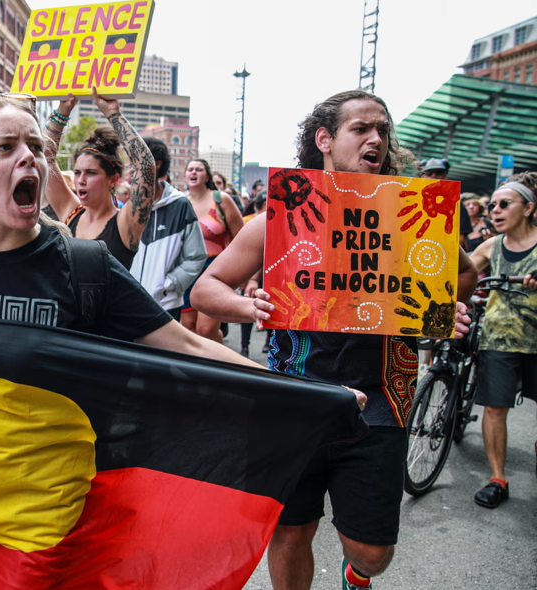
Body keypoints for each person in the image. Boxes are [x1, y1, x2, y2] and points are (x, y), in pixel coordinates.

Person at [191, 89, 476, 590]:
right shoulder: (280, 217)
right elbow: (206, 288)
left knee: (373, 552)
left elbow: (466, 274)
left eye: (383, 131)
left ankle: (355, 575)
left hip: (381, 403)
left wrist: (439, 306)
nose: (376, 139)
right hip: (293, 401)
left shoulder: (414, 216)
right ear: (325, 139)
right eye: (361, 128)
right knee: (290, 530)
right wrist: (247, 305)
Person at [0, 92, 281, 376]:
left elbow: (190, 348)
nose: (28, 157)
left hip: (58, 498)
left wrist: (312, 390)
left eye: (35, 149)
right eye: (5, 147)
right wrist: (59, 113)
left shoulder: (89, 259)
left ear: (113, 179)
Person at [467, 173, 537, 509]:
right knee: (495, 409)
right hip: (498, 340)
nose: (495, 210)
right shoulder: (491, 246)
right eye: (492, 205)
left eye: (504, 204)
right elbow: (457, 272)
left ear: (528, 208)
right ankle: (497, 478)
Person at [43, 93, 157, 269]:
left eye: (90, 173)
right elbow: (44, 158)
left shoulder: (125, 222)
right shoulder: (71, 214)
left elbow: (146, 167)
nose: (80, 180)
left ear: (113, 179)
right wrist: (62, 111)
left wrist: (113, 114)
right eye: (77, 172)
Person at [129, 138, 207, 320]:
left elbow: (196, 256)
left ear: (156, 164)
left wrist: (168, 284)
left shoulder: (180, 205)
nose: (131, 169)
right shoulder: (128, 206)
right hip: (128, 302)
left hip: (165, 305)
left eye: (136, 161)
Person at [181, 158, 244, 343]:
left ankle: (218, 365)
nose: (193, 172)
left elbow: (242, 237)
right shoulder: (181, 202)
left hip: (215, 269)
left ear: (206, 175)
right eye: (190, 169)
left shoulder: (220, 199)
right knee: (189, 328)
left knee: (206, 329)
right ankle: (197, 369)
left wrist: (247, 275)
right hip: (187, 269)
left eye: (198, 169)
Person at [240, 190, 268, 357]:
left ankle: (268, 342)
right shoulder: (250, 222)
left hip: (265, 273)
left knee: (270, 307)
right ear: (264, 204)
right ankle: (244, 346)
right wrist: (252, 278)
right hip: (252, 272)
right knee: (249, 307)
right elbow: (254, 253)